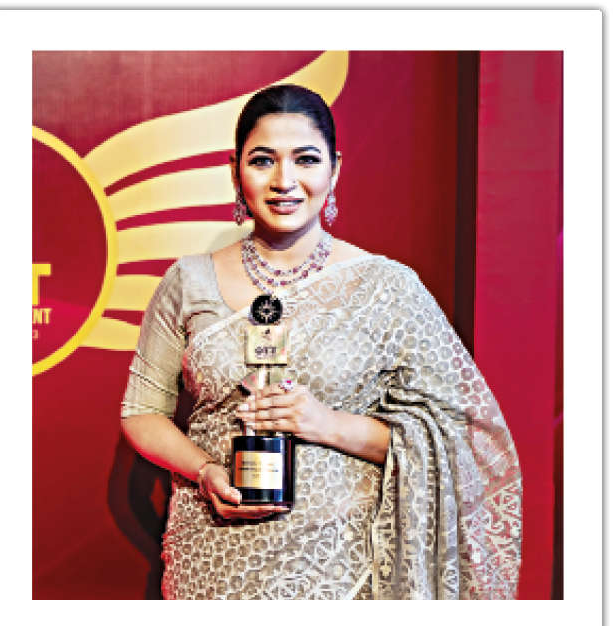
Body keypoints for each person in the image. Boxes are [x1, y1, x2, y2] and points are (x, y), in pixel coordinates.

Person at [120, 84, 522, 600]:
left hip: (346, 572)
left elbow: (458, 440)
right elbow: (142, 413)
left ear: (334, 170)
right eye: (262, 160)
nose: (284, 181)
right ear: (235, 171)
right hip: (212, 563)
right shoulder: (189, 281)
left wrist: (325, 423)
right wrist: (204, 470)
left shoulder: (386, 287)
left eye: (306, 159)